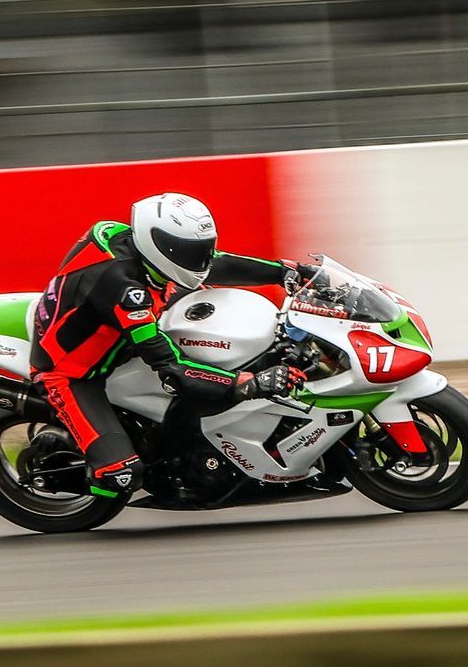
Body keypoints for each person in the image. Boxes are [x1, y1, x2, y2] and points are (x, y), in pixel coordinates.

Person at [29, 192, 307, 497]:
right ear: (155, 242)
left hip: (113, 331)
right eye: (188, 251)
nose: (199, 260)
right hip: (73, 372)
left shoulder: (133, 245)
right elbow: (170, 367)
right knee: (122, 477)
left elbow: (217, 264)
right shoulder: (127, 292)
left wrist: (283, 272)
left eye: (201, 249)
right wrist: (248, 384)